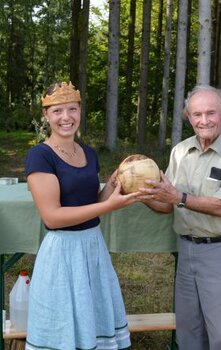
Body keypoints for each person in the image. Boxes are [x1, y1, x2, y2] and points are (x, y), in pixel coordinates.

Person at [139, 85, 221, 350]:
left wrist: (178, 197)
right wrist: (139, 195)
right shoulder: (180, 151)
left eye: (211, 113)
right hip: (188, 249)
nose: (204, 120)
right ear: (187, 116)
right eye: (197, 114)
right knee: (189, 332)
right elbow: (168, 205)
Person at [25, 82, 138, 350]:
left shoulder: (88, 153)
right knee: (63, 328)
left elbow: (91, 204)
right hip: (62, 251)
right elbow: (53, 217)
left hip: (92, 247)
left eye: (72, 109)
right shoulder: (40, 156)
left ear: (80, 111)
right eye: (57, 111)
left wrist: (114, 184)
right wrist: (109, 207)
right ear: (46, 116)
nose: (66, 117)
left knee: (93, 321)